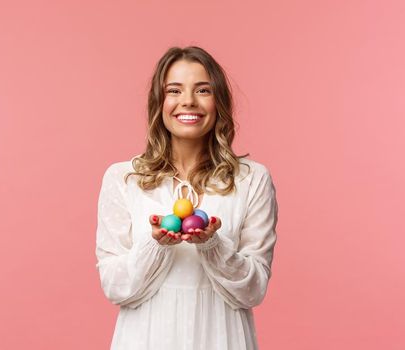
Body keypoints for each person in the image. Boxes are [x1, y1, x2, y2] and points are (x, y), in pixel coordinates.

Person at [94, 46, 278, 350]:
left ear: (219, 101)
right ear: (159, 102)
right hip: (145, 339)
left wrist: (212, 245)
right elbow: (116, 287)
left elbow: (253, 290)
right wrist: (156, 245)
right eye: (174, 90)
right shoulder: (123, 178)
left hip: (222, 338)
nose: (188, 101)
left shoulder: (251, 179)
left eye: (203, 89)